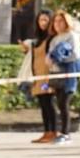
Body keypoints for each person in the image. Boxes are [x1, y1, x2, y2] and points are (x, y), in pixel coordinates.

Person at [46, 10, 80, 145]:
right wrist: (49, 60)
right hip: (56, 74)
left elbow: (75, 55)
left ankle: (65, 134)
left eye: (60, 21)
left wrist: (59, 59)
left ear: (66, 22)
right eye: (56, 21)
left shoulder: (72, 36)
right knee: (59, 103)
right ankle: (60, 132)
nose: (57, 24)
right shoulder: (54, 38)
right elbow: (49, 56)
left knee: (64, 103)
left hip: (69, 73)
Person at [19, 9, 56, 144]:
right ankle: (47, 132)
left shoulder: (52, 39)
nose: (43, 23)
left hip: (48, 78)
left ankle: (53, 132)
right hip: (37, 77)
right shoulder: (37, 40)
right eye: (41, 20)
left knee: (48, 103)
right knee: (43, 104)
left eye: (46, 19)